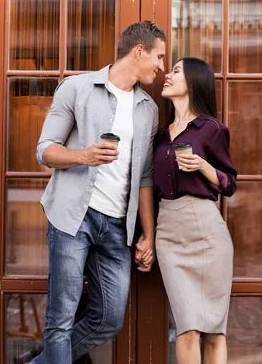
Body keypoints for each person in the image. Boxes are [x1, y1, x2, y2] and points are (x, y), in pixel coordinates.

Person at [30, 20, 166, 364]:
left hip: (118, 225)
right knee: (60, 321)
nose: (162, 67)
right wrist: (85, 156)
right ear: (139, 51)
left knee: (109, 318)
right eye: (159, 57)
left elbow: (145, 177)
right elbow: (45, 149)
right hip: (73, 218)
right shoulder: (76, 88)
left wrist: (148, 235)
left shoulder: (147, 109)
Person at [153, 57, 237, 364]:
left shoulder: (212, 130)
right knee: (186, 328)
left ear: (194, 81)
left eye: (176, 71)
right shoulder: (161, 137)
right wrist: (146, 236)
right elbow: (149, 189)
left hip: (207, 234)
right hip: (169, 236)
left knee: (214, 331)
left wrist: (203, 166)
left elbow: (229, 184)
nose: (167, 74)